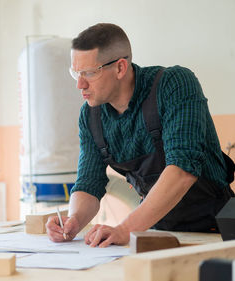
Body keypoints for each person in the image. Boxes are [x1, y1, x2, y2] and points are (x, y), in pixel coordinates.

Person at [46, 23, 235, 247]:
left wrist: (125, 229)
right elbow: (88, 183)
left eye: (89, 73)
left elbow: (183, 170)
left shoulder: (174, 85)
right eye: (75, 73)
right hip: (159, 229)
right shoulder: (91, 116)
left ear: (120, 68)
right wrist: (74, 220)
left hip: (220, 228)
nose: (80, 84)